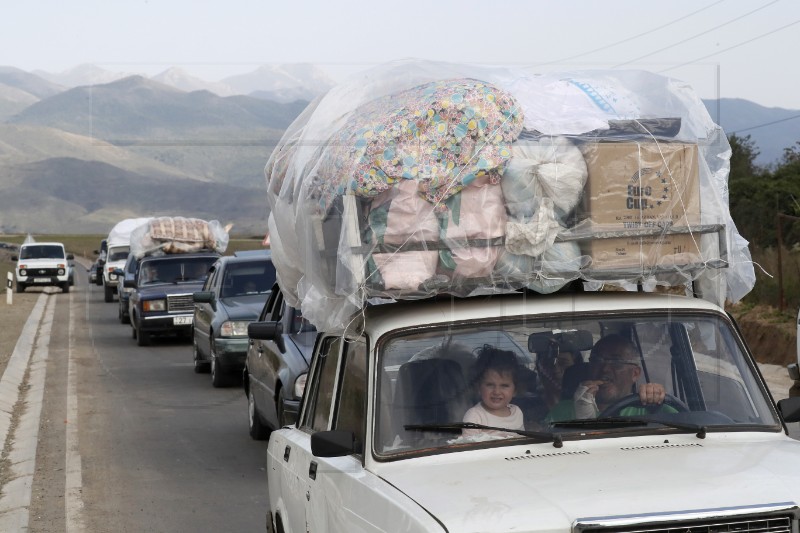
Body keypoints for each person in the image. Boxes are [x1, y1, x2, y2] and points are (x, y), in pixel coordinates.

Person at [546, 333, 670, 422]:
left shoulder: (652, 409)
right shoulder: (562, 411)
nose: (604, 369)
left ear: (635, 374)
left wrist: (657, 396)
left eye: (616, 361)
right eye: (597, 360)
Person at [462, 345, 525, 437]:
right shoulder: (475, 416)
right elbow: (469, 449)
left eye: (504, 386)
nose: (497, 392)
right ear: (479, 387)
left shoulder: (517, 412)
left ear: (515, 390)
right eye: (490, 385)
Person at [536, 339, 585, 409]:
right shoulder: (527, 407)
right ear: (540, 368)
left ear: (577, 367)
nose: (556, 370)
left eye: (563, 363)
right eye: (548, 363)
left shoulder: (586, 403)